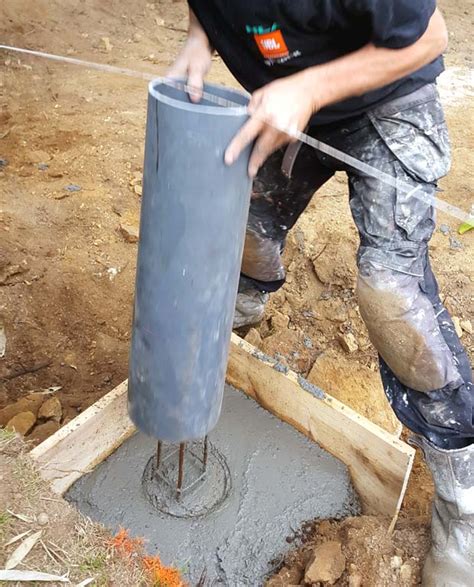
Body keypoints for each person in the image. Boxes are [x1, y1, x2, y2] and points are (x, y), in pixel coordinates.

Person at [168, 2, 473, 584]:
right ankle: (234, 326)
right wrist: (197, 40)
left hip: (383, 98)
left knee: (393, 297)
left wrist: (310, 86)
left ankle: (464, 512)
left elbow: (429, 35)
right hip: (286, 105)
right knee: (239, 232)